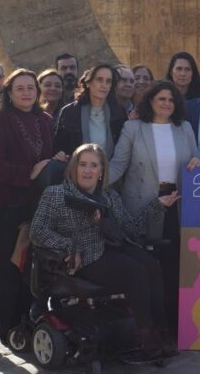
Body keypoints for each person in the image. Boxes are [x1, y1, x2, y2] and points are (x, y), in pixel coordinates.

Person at [30, 144, 175, 362]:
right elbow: (37, 231)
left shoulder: (109, 197)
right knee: (135, 272)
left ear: (101, 172)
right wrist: (69, 246)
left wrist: (157, 205)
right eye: (83, 165)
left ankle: (162, 332)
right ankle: (147, 339)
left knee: (151, 265)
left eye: (93, 166)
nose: (87, 171)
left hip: (112, 247)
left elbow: (132, 227)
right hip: (84, 256)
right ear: (74, 168)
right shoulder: (56, 194)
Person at [108, 81, 200, 332]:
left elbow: (197, 158)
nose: (167, 104)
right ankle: (149, 326)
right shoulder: (133, 128)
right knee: (147, 267)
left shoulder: (185, 128)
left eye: (171, 100)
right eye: (161, 99)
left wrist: (197, 162)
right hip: (142, 206)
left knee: (173, 267)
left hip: (177, 207)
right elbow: (118, 165)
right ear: (150, 101)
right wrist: (87, 180)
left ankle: (173, 326)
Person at [0, 69, 65, 344]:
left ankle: (27, 318)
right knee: (8, 264)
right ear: (9, 92)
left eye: (31, 88)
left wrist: (55, 160)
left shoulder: (45, 119)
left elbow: (44, 158)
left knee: (31, 264)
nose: (27, 93)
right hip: (5, 205)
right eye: (20, 88)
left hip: (36, 204)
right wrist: (30, 172)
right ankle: (5, 325)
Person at [54, 63, 127, 159]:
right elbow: (59, 147)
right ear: (88, 82)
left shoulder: (118, 112)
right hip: (76, 169)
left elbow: (124, 150)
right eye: (99, 80)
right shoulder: (70, 112)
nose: (104, 85)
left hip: (111, 169)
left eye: (108, 81)